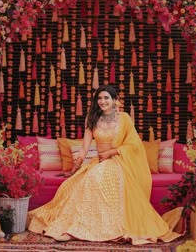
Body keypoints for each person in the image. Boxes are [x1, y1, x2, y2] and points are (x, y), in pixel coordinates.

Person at [28, 85, 185, 245]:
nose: (103, 101)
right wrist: (74, 169)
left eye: (106, 98)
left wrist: (112, 152)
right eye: (100, 98)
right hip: (99, 162)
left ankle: (96, 228)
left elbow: (134, 145)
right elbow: (84, 148)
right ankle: (73, 227)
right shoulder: (92, 118)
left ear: (115, 100)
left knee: (97, 177)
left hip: (119, 162)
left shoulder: (124, 118)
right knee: (74, 184)